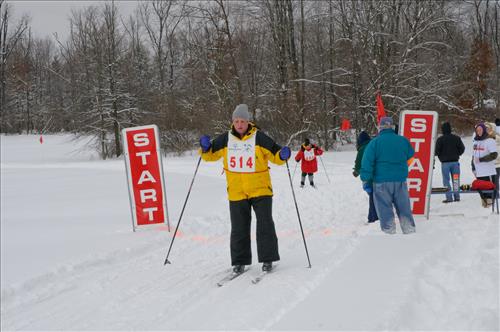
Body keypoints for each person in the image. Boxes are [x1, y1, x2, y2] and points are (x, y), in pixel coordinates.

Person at [199, 104, 291, 273]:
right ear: (232, 122)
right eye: (236, 121)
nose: (239, 124)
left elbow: (275, 155)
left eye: (242, 121)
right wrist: (205, 147)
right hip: (237, 191)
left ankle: (267, 259)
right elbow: (209, 155)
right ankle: (239, 261)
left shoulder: (259, 137)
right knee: (239, 227)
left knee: (265, 225)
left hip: (261, 189)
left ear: (248, 122)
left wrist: (283, 154)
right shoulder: (226, 139)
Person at [360, 117, 416, 234]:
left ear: (380, 128)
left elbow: (367, 163)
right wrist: (401, 168)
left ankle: (389, 232)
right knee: (404, 207)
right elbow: (411, 157)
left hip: (381, 182)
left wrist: (366, 180)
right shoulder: (403, 141)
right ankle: (409, 231)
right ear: (392, 127)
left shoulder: (374, 143)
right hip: (400, 181)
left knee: (385, 209)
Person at [434, 122, 465, 203]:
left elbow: (436, 151)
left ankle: (449, 198)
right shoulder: (456, 138)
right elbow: (462, 148)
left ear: (443, 129)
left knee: (446, 180)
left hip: (445, 164)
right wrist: (457, 154)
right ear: (450, 129)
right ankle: (457, 197)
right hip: (455, 162)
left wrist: (440, 155)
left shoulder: (440, 139)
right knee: (456, 180)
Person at [353, 131, 379, 224]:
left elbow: (359, 164)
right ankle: (373, 217)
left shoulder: (363, 148)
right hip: (381, 175)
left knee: (373, 197)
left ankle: (373, 219)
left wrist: (356, 172)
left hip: (370, 177)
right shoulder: (375, 145)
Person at [472, 122, 498, 207]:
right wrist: (473, 167)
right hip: (479, 172)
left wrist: (481, 159)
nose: (478, 132)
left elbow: (494, 155)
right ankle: (485, 211)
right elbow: (474, 155)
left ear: (484, 130)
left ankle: (492, 213)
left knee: (490, 195)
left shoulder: (490, 141)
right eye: (477, 130)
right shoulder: (475, 141)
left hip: (488, 172)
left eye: (480, 130)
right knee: (483, 196)